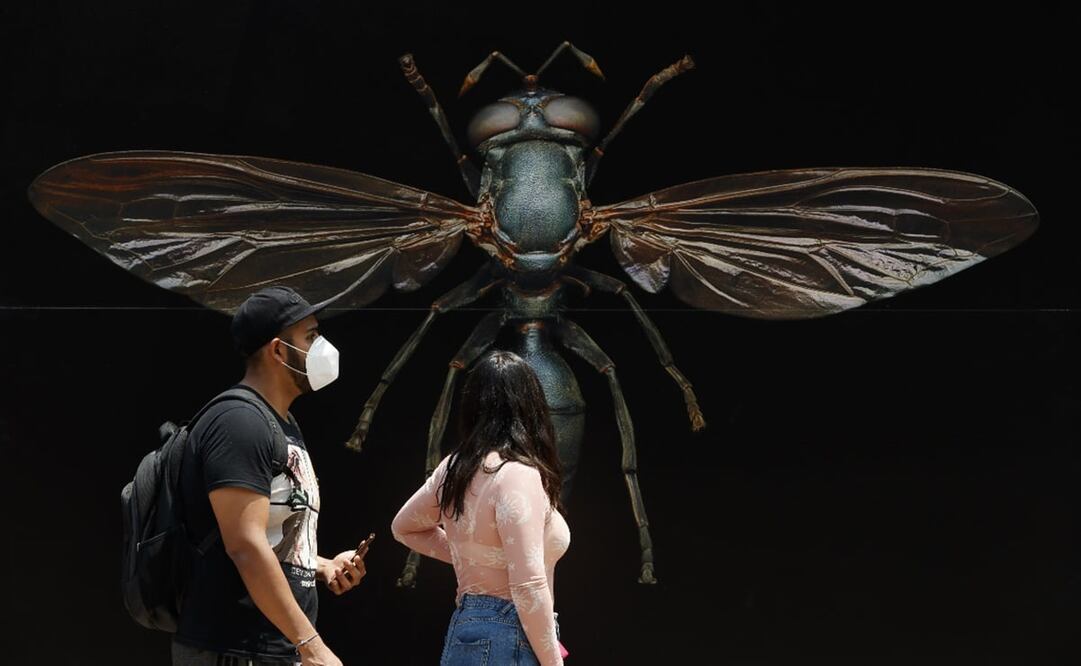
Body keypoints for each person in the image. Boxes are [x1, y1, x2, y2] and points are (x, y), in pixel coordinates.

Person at [173, 285, 367, 666]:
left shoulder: (283, 424)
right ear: (278, 351)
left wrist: (320, 565)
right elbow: (244, 544)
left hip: (271, 649)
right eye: (311, 336)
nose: (322, 347)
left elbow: (265, 535)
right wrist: (312, 646)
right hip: (236, 649)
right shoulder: (239, 422)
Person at [392, 350, 571, 666]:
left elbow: (404, 527)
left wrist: (477, 556)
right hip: (512, 629)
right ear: (531, 406)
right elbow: (528, 584)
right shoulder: (519, 474)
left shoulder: (454, 467)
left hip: (467, 626)